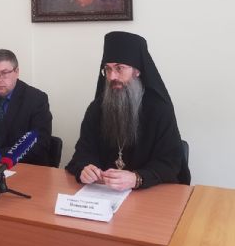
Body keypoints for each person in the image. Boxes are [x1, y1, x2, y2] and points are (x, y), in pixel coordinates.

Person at [66, 31, 190, 190]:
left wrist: (137, 178)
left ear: (137, 71)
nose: (112, 77)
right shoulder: (97, 108)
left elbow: (169, 163)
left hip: (150, 194)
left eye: (119, 68)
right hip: (104, 193)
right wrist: (85, 169)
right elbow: (83, 152)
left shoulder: (159, 110)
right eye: (108, 69)